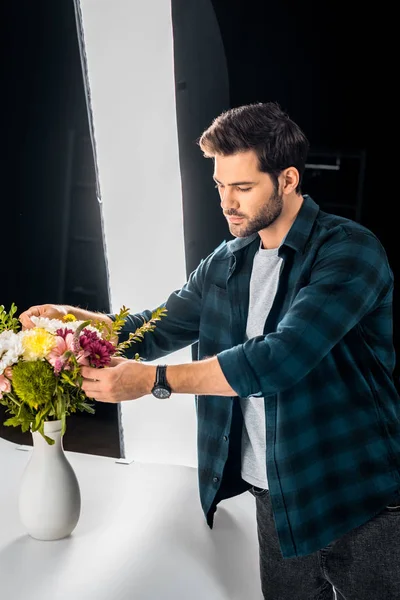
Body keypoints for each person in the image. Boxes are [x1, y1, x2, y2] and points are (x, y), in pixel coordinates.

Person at [19, 102, 400, 600]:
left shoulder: (350, 251)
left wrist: (155, 382)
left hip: (357, 496)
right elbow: (155, 329)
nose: (227, 202)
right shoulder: (228, 260)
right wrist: (84, 320)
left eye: (243, 187)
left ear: (287, 180)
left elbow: (279, 359)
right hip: (276, 497)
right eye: (220, 185)